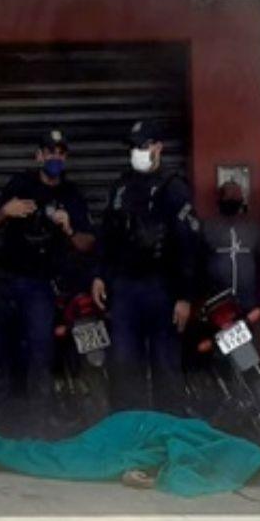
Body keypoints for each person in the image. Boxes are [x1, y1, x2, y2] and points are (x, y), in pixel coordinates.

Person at [0, 129, 95, 432]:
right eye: (50, 152)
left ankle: (37, 429)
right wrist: (5, 211)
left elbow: (88, 243)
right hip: (8, 282)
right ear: (39, 156)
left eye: (61, 153)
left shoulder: (71, 195)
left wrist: (69, 228)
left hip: (42, 287)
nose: (55, 158)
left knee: (40, 358)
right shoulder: (20, 183)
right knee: (0, 356)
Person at [93, 121, 201, 414]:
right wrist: (100, 276)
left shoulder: (174, 188)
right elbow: (106, 236)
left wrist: (184, 296)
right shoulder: (121, 187)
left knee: (166, 366)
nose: (138, 152)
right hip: (125, 288)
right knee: (124, 365)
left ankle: (168, 436)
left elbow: (187, 245)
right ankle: (129, 437)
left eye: (143, 145)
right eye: (133, 147)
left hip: (161, 287)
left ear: (158, 147)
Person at [202, 180, 260, 312]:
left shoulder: (252, 227)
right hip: (218, 299)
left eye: (236, 197)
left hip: (248, 298)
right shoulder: (208, 226)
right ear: (220, 199)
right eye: (229, 197)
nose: (232, 199)